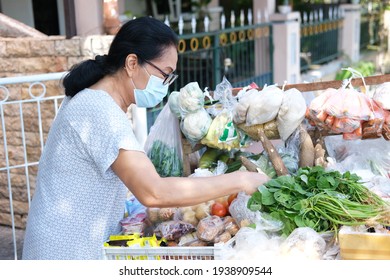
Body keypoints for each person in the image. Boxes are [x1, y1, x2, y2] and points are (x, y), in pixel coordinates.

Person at [22, 16, 269, 260]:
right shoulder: (99, 111)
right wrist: (240, 180)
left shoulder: (96, 99)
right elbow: (154, 192)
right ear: (132, 63)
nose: (166, 85)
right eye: (165, 74)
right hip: (65, 254)